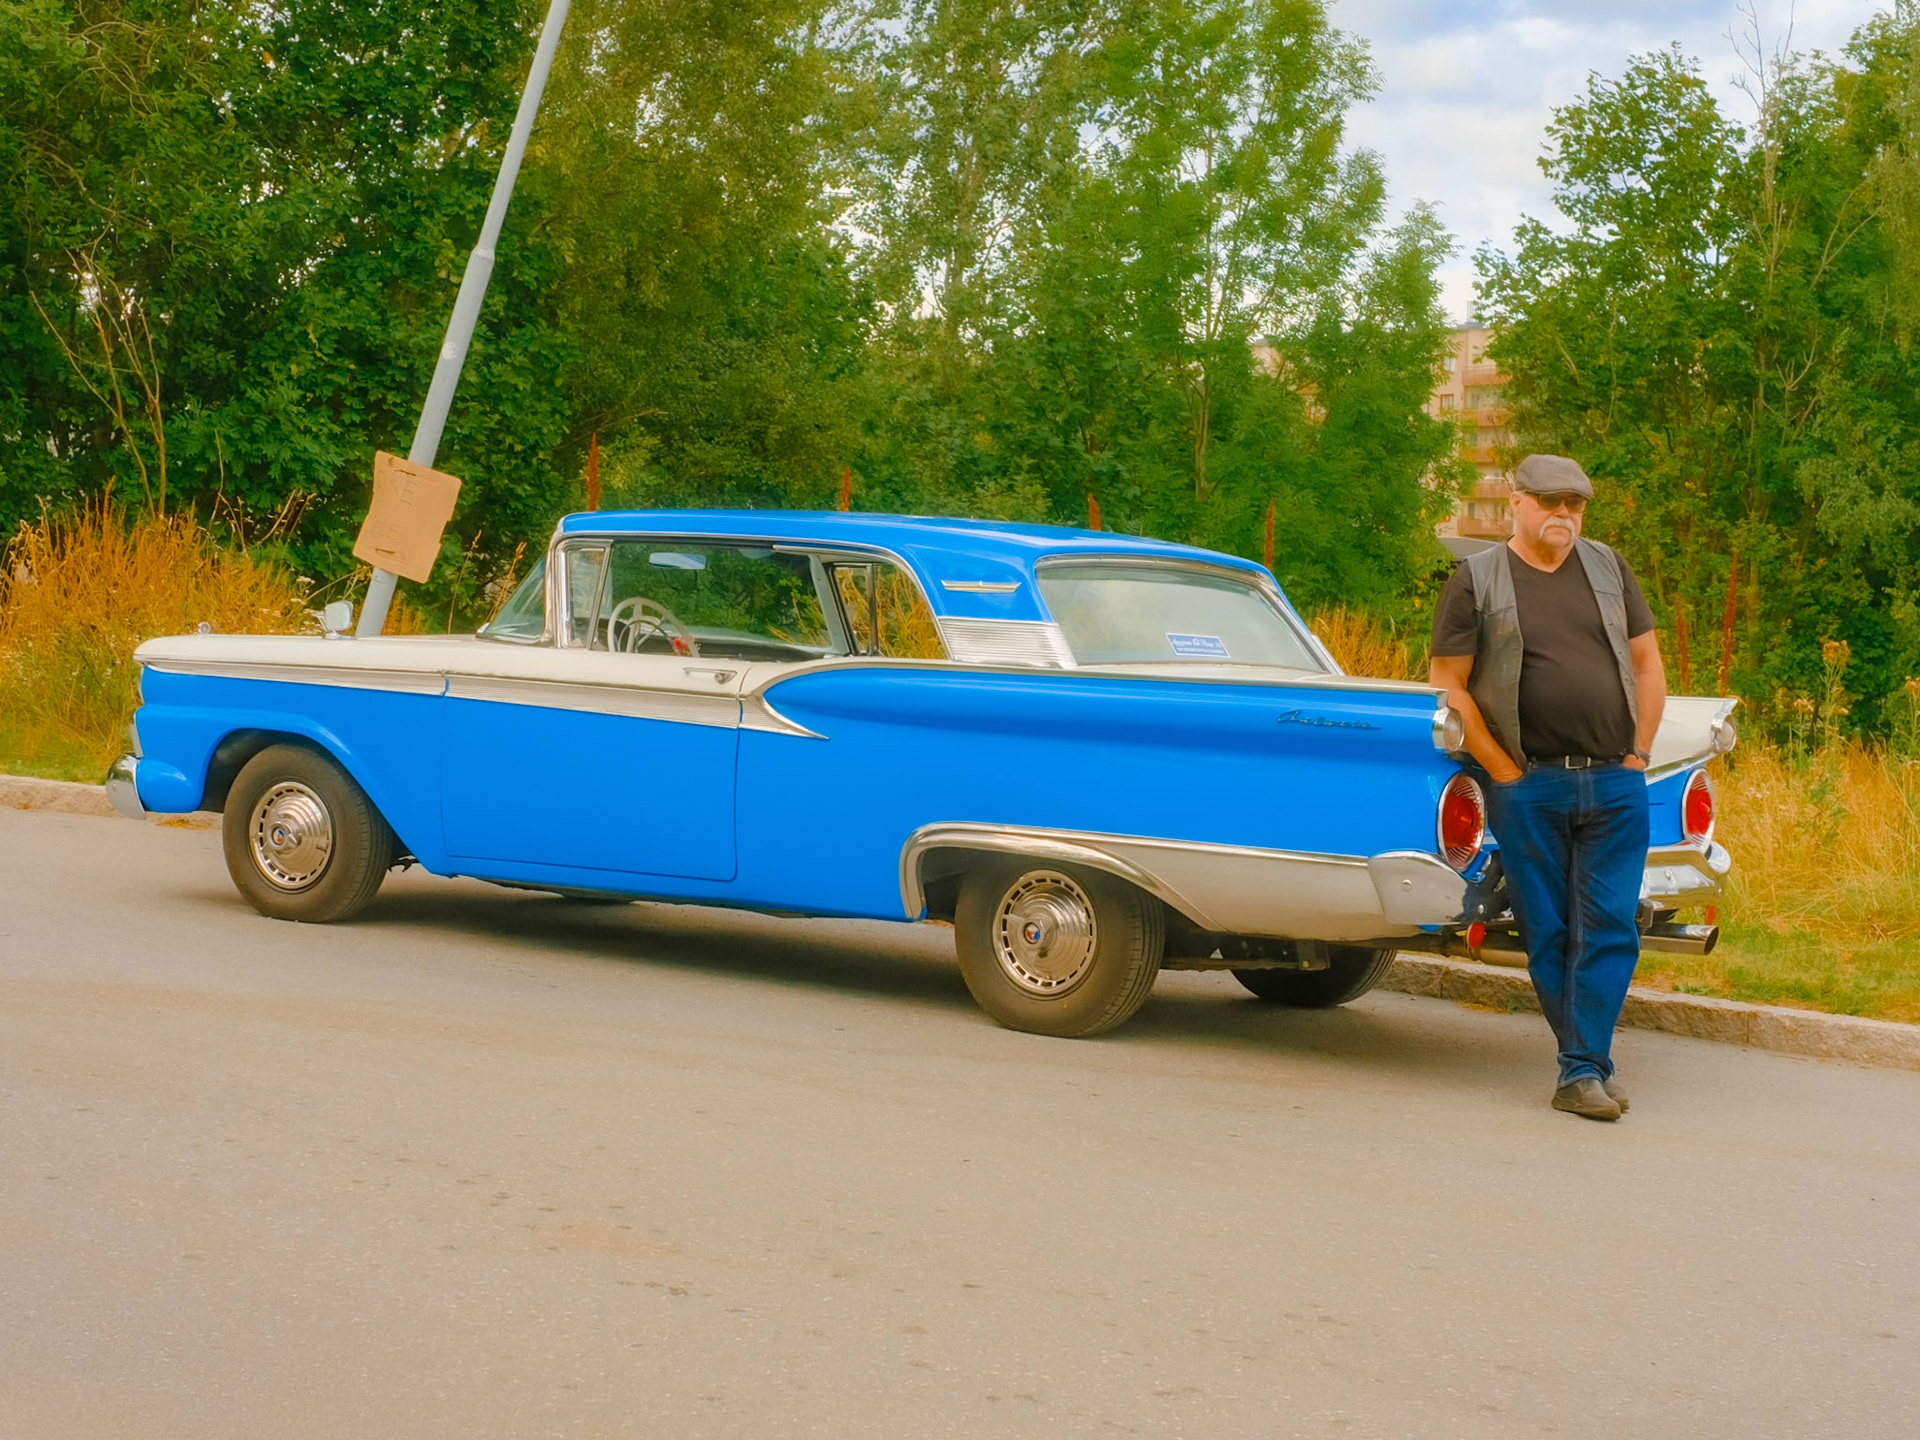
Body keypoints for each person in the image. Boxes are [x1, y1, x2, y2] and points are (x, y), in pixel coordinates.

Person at [1430, 454, 1667, 1121]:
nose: (1564, 513)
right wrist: (1503, 770)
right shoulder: (1476, 579)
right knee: (1551, 931)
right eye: (1550, 500)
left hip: (1615, 780)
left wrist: (1639, 753)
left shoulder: (1609, 566)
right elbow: (1448, 683)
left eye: (1575, 503)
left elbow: (1648, 663)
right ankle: (1586, 1065)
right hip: (1530, 783)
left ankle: (1581, 1069)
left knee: (1611, 926)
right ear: (1518, 503)